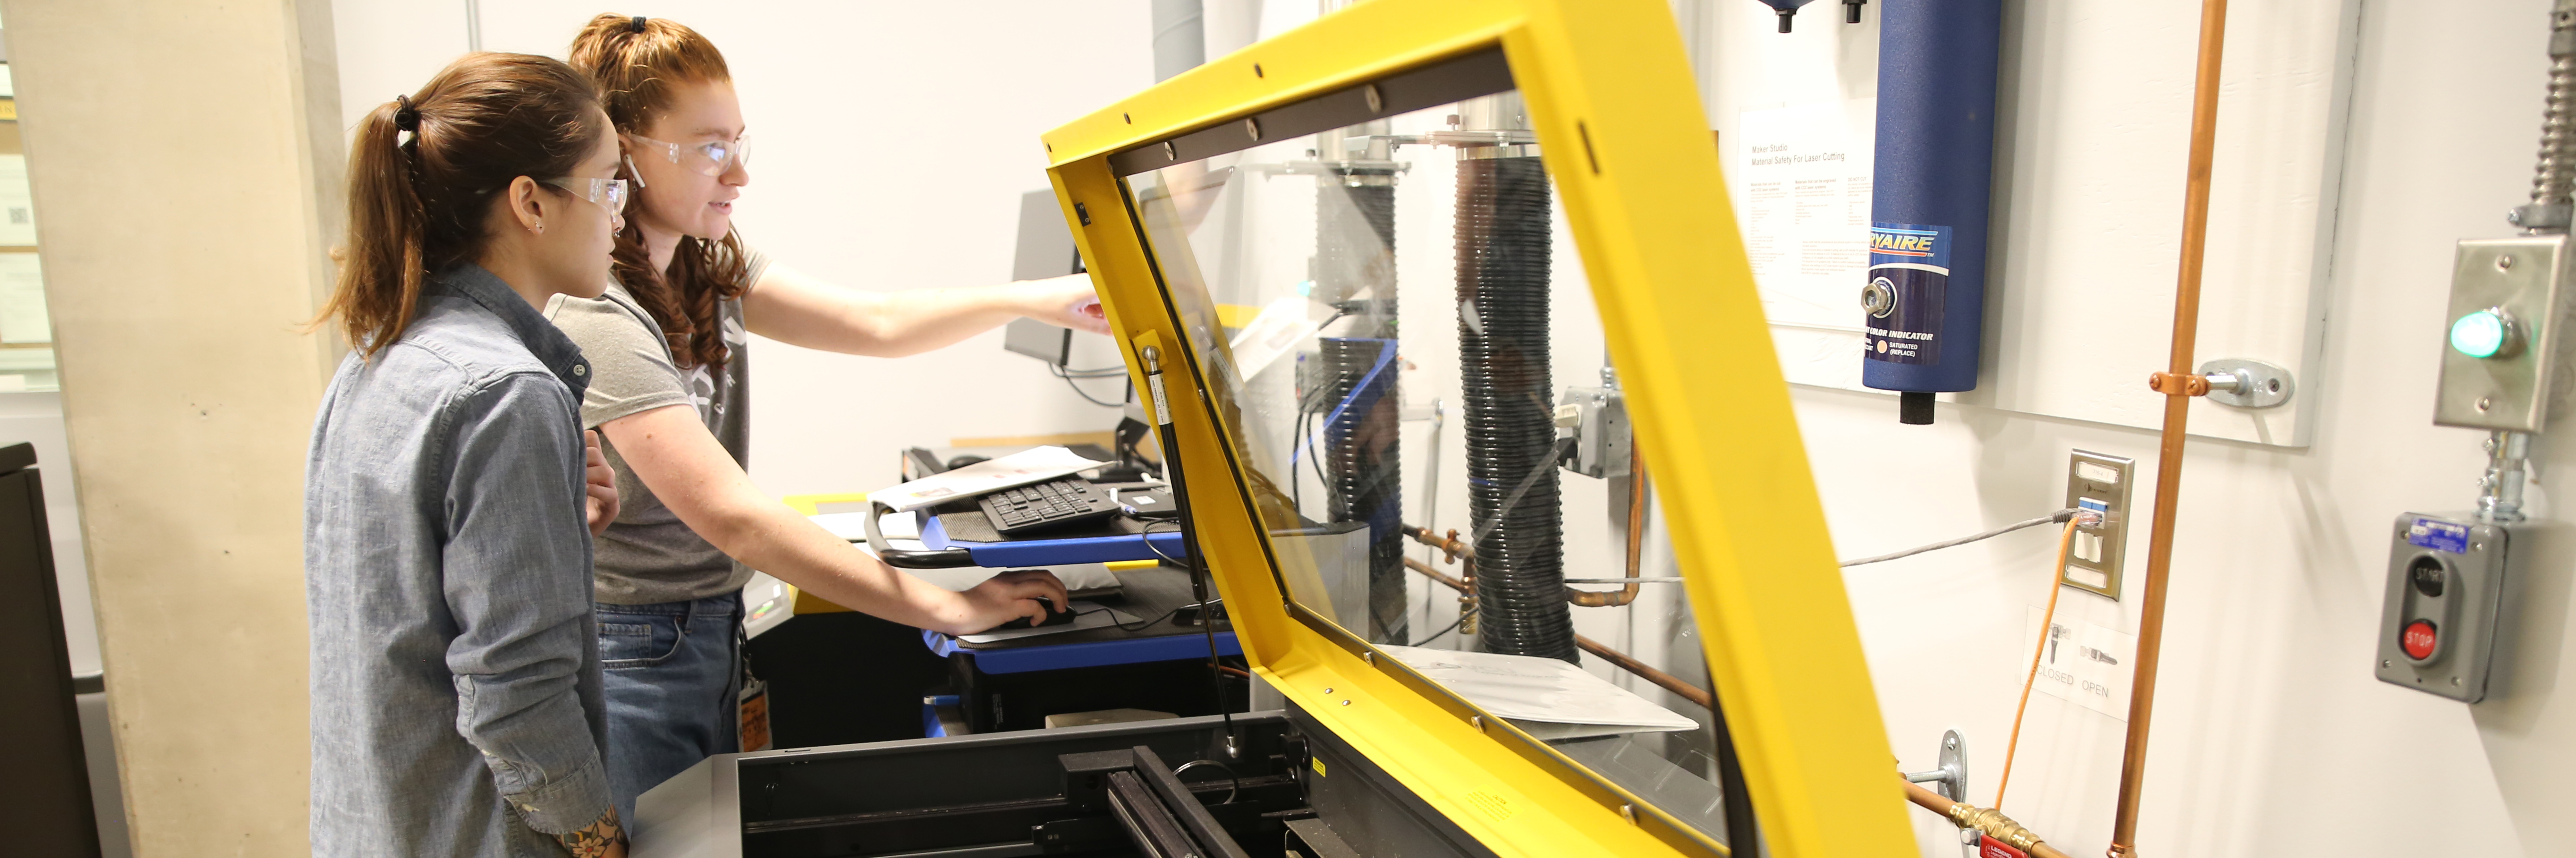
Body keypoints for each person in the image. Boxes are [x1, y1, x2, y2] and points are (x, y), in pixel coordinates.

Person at [553, 14, 1097, 818]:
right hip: (635, 647)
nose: (738, 173)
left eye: (741, 142)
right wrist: (945, 604)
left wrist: (1043, 299)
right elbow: (734, 518)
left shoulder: (706, 263)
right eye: (709, 148)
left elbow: (876, 322)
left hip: (707, 629)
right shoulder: (599, 310)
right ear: (624, 151)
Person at [305, 53, 635, 857]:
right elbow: (516, 690)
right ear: (530, 202)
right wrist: (599, 841)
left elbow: (412, 605)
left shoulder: (380, 357)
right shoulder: (507, 394)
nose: (621, 216)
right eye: (608, 186)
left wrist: (555, 528)